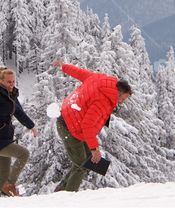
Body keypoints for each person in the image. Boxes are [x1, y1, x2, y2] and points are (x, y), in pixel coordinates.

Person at [51, 59, 132, 192]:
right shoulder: (104, 101)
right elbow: (87, 126)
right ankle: (67, 199)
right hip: (69, 128)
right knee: (82, 164)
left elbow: (80, 73)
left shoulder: (100, 79)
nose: (121, 103)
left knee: (87, 161)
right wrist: (95, 150)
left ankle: (60, 191)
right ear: (118, 91)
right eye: (122, 99)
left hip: (69, 119)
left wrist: (63, 66)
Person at [0, 66, 38, 197]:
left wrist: (32, 126)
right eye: (9, 82)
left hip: (5, 137)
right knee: (24, 154)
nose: (12, 84)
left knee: (3, 174)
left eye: (13, 81)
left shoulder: (11, 93)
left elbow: (19, 112)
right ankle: (9, 185)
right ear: (1, 80)